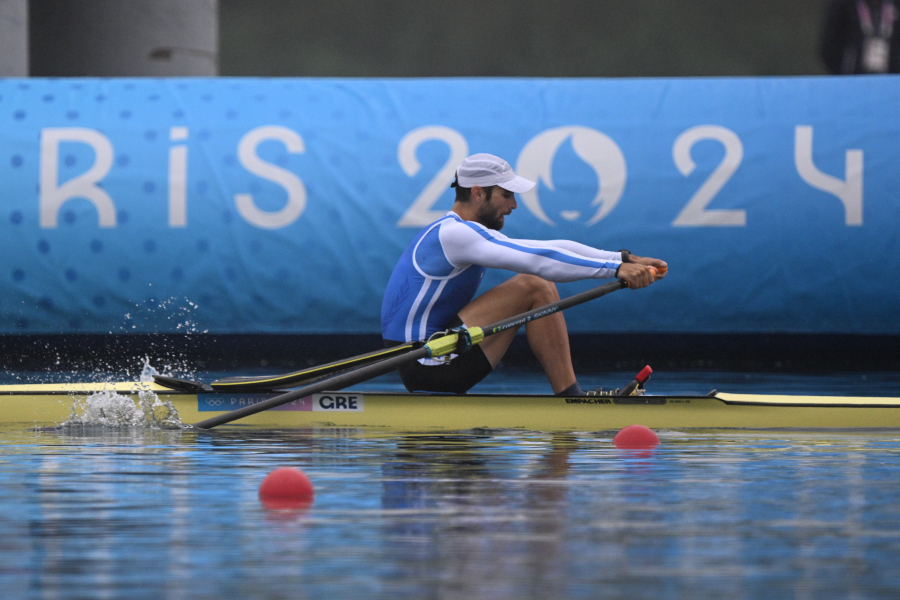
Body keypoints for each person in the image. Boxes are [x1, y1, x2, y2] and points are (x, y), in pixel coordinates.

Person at [380, 153, 666, 396]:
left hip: (441, 353)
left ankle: (571, 398)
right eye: (506, 195)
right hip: (425, 362)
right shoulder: (454, 234)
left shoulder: (463, 232)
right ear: (478, 193)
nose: (514, 205)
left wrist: (622, 259)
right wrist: (615, 271)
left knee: (537, 283)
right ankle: (571, 399)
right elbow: (538, 260)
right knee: (534, 285)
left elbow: (550, 248)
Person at [820, 0, 899, 74]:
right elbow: (828, 47)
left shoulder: (896, 6)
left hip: (893, 77)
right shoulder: (843, 7)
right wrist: (842, 74)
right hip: (853, 76)